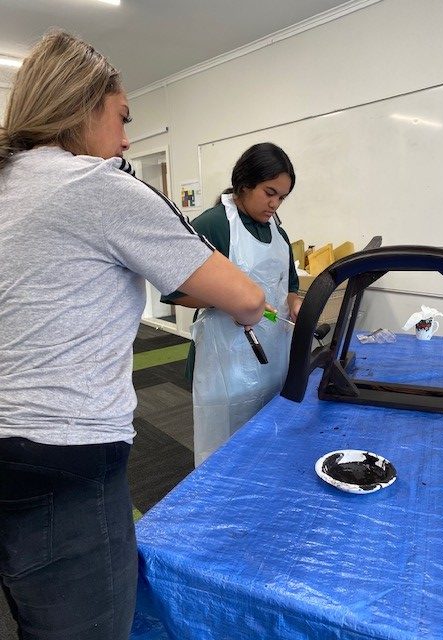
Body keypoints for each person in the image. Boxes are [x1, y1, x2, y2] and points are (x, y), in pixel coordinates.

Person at [0, 30, 265, 640]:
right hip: (63, 452)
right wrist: (245, 306)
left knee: (29, 608)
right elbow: (248, 298)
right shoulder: (99, 186)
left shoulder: (11, 181)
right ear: (81, 107)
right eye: (122, 118)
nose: (125, 140)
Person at [163, 143, 302, 466]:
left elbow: (290, 284)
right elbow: (175, 290)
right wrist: (229, 302)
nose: (274, 203)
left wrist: (294, 303)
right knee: (225, 445)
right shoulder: (215, 224)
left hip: (272, 354)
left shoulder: (277, 231)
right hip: (227, 358)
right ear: (244, 183)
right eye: (270, 192)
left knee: (265, 438)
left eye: (282, 197)